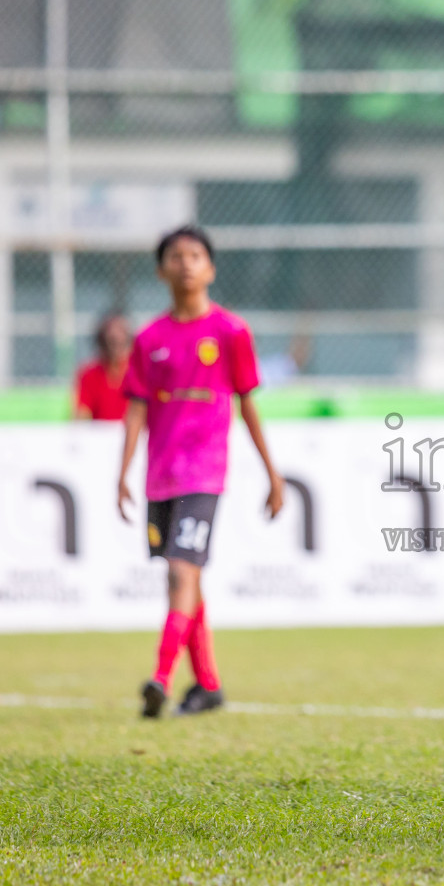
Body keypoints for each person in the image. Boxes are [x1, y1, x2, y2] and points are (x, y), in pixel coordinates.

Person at [117, 225, 286, 718]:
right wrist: (122, 471)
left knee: (179, 572)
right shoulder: (149, 339)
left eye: (196, 255)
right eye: (176, 255)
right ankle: (208, 685)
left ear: (210, 268)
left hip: (204, 473)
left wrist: (272, 475)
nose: (186, 262)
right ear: (161, 268)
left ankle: (162, 677)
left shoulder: (231, 331)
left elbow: (248, 403)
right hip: (160, 476)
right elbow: (135, 409)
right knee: (188, 580)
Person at [75, 313, 132, 421]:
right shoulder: (90, 374)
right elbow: (82, 415)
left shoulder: (139, 372)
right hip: (100, 436)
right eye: (112, 342)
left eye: (121, 343)